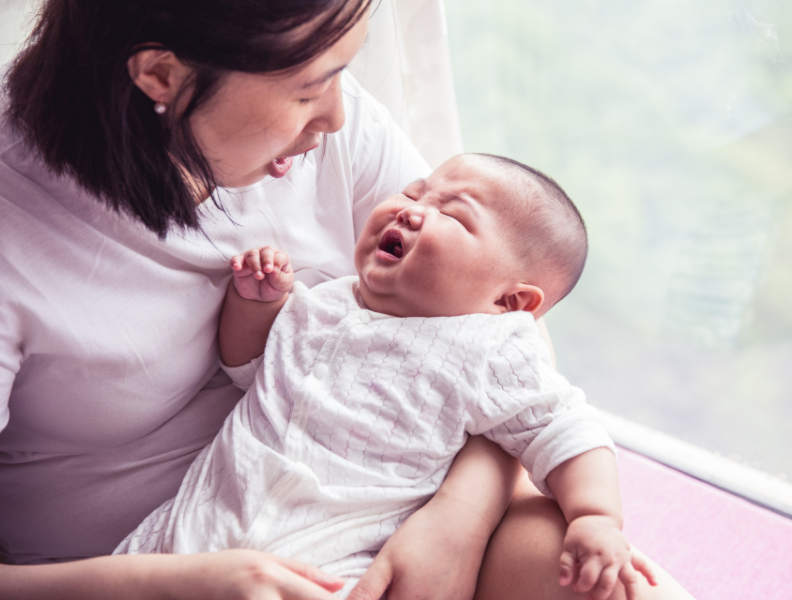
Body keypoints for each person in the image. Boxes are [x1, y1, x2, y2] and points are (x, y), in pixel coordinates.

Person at [0, 0, 694, 598]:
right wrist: (175, 584)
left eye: (344, 72)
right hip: (140, 566)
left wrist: (459, 516)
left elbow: (502, 325)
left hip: (390, 512)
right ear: (161, 74)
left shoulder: (330, 118)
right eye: (310, 88)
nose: (336, 116)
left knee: (613, 579)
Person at [116, 153, 657, 600]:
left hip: (334, 560)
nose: (410, 210)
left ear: (510, 300)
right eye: (414, 192)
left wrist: (594, 517)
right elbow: (248, 368)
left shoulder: (488, 349)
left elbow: (565, 430)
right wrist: (257, 304)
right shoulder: (325, 300)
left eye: (456, 216)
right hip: (196, 527)